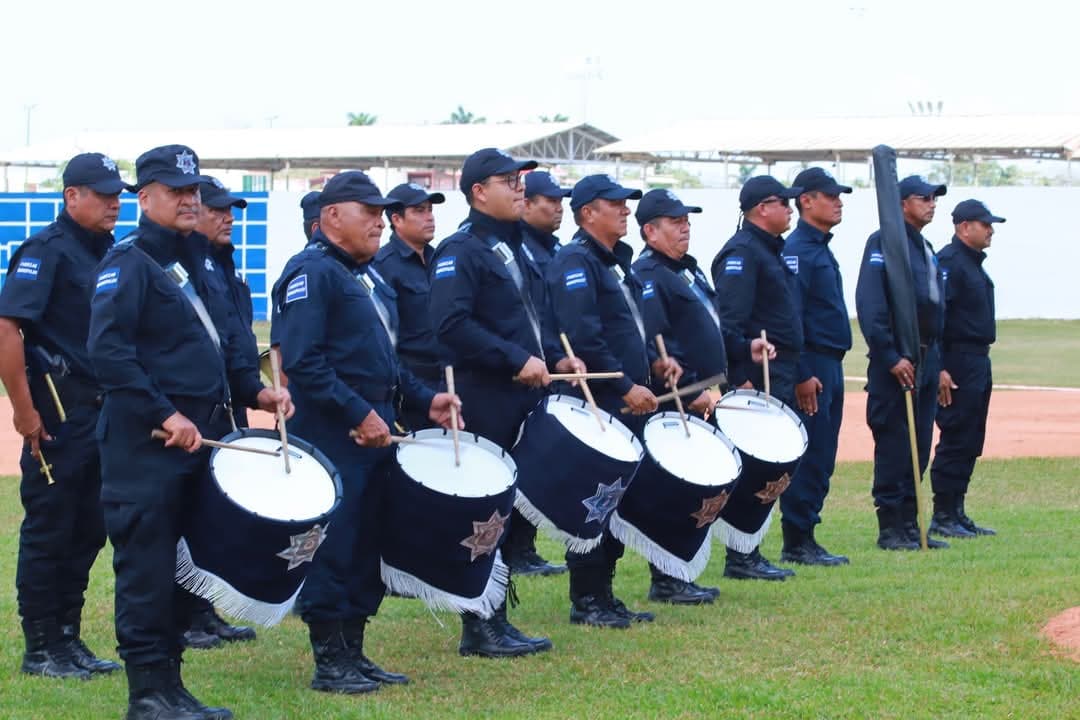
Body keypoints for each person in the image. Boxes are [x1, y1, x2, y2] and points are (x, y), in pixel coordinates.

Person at [88, 144, 292, 720]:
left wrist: (257, 391)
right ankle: (147, 693)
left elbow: (223, 345)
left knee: (183, 568)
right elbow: (109, 354)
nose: (188, 200)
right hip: (147, 448)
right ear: (144, 197)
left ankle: (171, 686)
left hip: (200, 443)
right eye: (175, 191)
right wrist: (163, 413)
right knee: (147, 569)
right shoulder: (127, 265)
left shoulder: (197, 260)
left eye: (193, 191)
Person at [272, 171, 463, 694]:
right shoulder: (311, 273)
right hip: (335, 433)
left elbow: (388, 361)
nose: (380, 221)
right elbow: (305, 363)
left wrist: (427, 399)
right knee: (336, 544)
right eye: (369, 212)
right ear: (333, 216)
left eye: (382, 213)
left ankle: (354, 651)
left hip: (377, 428)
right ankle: (330, 661)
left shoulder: (368, 275)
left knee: (366, 542)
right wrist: (358, 413)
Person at [429, 148, 582, 656]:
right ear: (477, 191)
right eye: (507, 180)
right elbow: (451, 326)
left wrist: (552, 360)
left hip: (522, 395)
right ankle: (478, 627)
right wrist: (515, 358)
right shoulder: (461, 250)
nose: (520, 187)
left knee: (507, 511)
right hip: (485, 398)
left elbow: (529, 323)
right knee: (485, 513)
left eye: (521, 179)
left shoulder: (514, 248)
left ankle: (497, 616)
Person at [0, 153, 128, 680]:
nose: (114, 203)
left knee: (88, 530)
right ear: (71, 195)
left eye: (118, 194)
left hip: (104, 415)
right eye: (102, 194)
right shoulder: (45, 252)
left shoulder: (112, 253)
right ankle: (40, 647)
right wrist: (24, 414)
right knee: (51, 530)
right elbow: (8, 331)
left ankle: (68, 639)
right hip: (57, 414)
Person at [547, 175, 682, 627]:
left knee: (617, 499)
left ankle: (603, 594)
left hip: (626, 399)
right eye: (616, 204)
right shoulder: (575, 262)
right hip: (599, 402)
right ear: (588, 213)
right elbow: (583, 336)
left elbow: (627, 329)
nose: (626, 211)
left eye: (626, 204)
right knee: (595, 500)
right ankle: (586, 599)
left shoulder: (612, 263)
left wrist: (655, 365)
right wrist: (625, 385)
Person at [169, 177, 260, 648]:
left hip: (229, 406)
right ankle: (183, 615)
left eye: (232, 210)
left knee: (211, 514)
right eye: (219, 209)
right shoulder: (180, 270)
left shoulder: (224, 268)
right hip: (193, 410)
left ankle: (204, 611)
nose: (228, 217)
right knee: (183, 514)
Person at [632, 189, 728, 604]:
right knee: (675, 488)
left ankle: (679, 573)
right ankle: (668, 578)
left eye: (686, 219)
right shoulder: (649, 275)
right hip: (675, 397)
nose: (685, 226)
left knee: (693, 488)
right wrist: (689, 389)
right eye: (675, 221)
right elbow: (657, 345)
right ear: (650, 231)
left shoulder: (684, 270)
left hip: (698, 394)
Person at [710, 175, 803, 580]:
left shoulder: (770, 250)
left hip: (779, 370)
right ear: (762, 208)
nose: (791, 208)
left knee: (772, 465)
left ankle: (750, 549)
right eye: (784, 202)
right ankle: (741, 555)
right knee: (756, 464)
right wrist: (741, 378)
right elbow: (729, 325)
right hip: (757, 375)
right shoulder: (743, 254)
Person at [855, 175, 949, 551]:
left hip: (927, 357)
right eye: (923, 197)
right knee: (896, 442)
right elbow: (872, 305)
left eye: (934, 198)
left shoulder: (924, 246)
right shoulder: (883, 244)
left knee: (920, 443)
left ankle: (911, 524)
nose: (932, 203)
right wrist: (890, 355)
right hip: (897, 361)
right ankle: (890, 526)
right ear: (901, 203)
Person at [779, 168, 853, 567]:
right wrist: (804, 371)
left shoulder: (820, 247)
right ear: (806, 200)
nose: (839, 201)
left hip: (832, 362)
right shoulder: (798, 252)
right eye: (831, 195)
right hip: (813, 365)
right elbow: (793, 320)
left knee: (824, 453)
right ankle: (798, 539)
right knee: (810, 453)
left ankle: (807, 535)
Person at [929, 199, 1005, 538]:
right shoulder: (949, 263)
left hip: (976, 359)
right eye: (984, 224)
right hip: (957, 359)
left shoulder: (972, 264)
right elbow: (936, 319)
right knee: (957, 435)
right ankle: (943, 514)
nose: (990, 230)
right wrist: (940, 367)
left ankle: (957, 511)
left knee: (972, 436)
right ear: (963, 227)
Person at [371, 182, 446, 432]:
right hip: (410, 393)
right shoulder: (383, 266)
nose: (429, 217)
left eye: (430, 210)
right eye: (419, 211)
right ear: (397, 219)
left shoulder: (440, 259)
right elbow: (382, 343)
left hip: (447, 384)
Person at [520, 171, 571, 274]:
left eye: (560, 201)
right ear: (527, 205)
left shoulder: (554, 246)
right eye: (552, 201)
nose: (560, 209)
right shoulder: (517, 248)